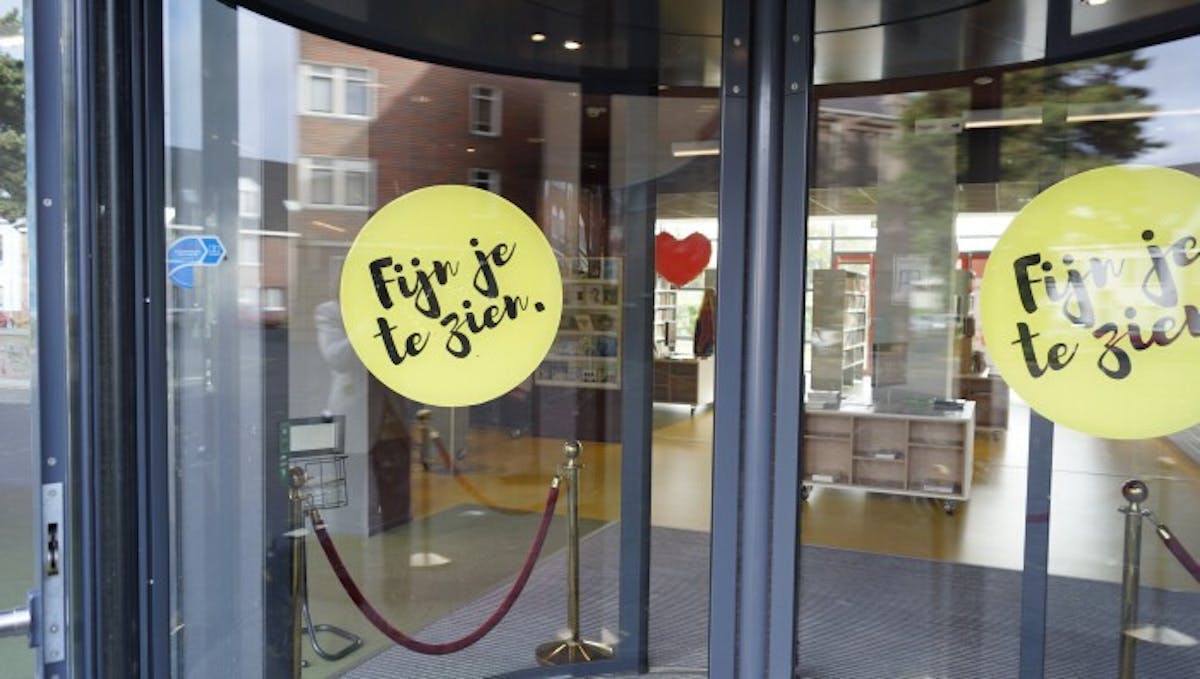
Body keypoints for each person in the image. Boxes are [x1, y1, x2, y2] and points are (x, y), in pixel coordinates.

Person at [693, 287, 716, 358]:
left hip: (705, 344)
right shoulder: (717, 312)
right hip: (713, 343)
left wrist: (700, 345)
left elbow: (705, 331)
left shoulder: (705, 312)